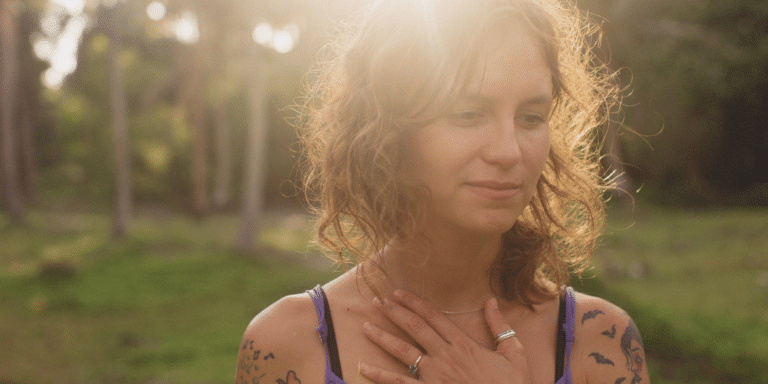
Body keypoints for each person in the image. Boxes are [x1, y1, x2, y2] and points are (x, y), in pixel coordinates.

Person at [236, 0, 650, 383]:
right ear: (388, 129)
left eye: (531, 116)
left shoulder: (601, 341)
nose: (509, 151)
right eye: (468, 114)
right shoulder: (290, 343)